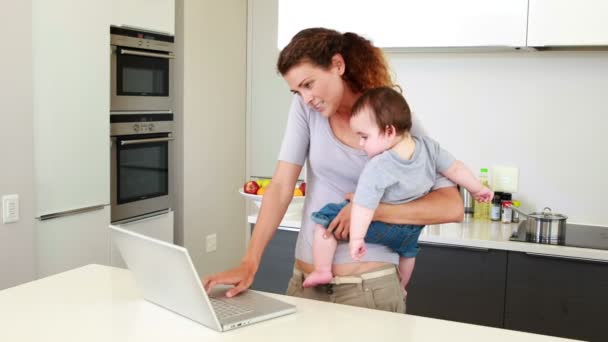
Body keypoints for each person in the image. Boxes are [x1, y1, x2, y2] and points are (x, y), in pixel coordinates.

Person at [203, 27, 464, 313]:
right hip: (306, 283)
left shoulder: (394, 119)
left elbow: (451, 206)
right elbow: (280, 187)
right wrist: (249, 263)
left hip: (369, 288)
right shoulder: (306, 110)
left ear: (337, 65)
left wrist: (371, 210)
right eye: (297, 90)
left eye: (309, 84)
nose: (305, 98)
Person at [302, 87, 493, 292]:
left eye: (365, 137)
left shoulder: (378, 166)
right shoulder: (429, 148)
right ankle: (402, 286)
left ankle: (322, 270)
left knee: (323, 220)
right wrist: (477, 189)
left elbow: (365, 206)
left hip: (384, 224)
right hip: (411, 230)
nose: (361, 143)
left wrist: (357, 238)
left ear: (389, 131)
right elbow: (456, 168)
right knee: (408, 254)